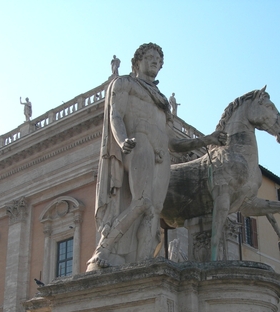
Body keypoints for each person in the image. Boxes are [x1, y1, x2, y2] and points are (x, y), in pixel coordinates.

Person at [87, 43, 226, 271]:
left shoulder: (162, 103)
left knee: (152, 210)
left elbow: (173, 142)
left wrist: (206, 140)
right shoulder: (125, 84)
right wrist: (122, 141)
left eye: (159, 61)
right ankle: (105, 247)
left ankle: (142, 265)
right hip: (139, 142)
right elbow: (116, 115)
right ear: (138, 60)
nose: (155, 63)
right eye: (150, 57)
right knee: (141, 201)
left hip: (162, 154)